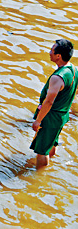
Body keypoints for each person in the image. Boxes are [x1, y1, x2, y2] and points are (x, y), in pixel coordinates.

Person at [30, 39, 77, 169]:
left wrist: (38, 121)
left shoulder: (58, 78)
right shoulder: (73, 69)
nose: (49, 52)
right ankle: (51, 166)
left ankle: (40, 177)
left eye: (52, 50)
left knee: (41, 152)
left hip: (50, 118)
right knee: (52, 144)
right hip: (62, 115)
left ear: (58, 56)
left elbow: (49, 101)